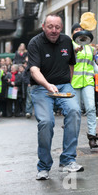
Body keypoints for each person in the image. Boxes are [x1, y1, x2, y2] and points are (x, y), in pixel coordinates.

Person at [27, 14, 83, 180]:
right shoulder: (35, 43)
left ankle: (68, 160)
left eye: (57, 27)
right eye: (50, 26)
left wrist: (69, 83)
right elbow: (34, 70)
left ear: (61, 28)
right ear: (44, 26)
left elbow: (71, 64)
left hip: (64, 85)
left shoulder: (66, 41)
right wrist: (47, 85)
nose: (53, 30)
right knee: (46, 122)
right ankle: (43, 166)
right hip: (41, 87)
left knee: (74, 111)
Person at [71, 24, 98, 149]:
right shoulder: (69, 45)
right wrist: (74, 52)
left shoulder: (90, 48)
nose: (79, 32)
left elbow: (91, 64)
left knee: (91, 108)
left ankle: (92, 137)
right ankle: (72, 138)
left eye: (80, 30)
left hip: (87, 81)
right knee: (75, 111)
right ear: (72, 33)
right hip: (74, 82)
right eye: (76, 30)